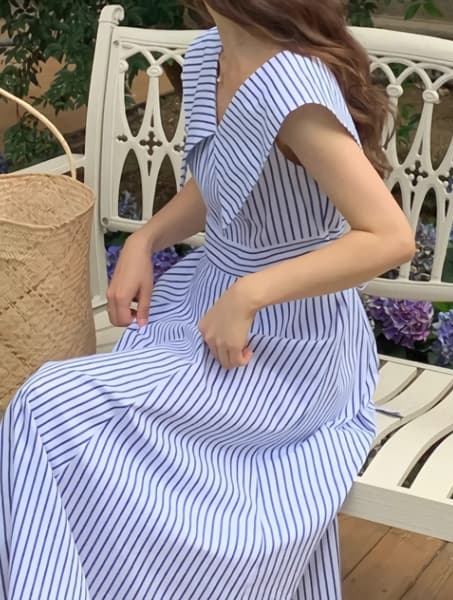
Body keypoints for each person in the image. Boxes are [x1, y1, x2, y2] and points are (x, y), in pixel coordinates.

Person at [0, 0, 415, 597]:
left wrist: (251, 293)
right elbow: (220, 182)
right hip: (204, 306)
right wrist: (146, 238)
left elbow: (390, 236)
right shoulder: (209, 58)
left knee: (48, 407)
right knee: (60, 417)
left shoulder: (292, 87)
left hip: (291, 343)